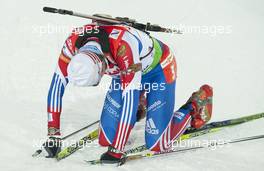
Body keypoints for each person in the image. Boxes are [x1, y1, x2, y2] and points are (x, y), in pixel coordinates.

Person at [43, 20, 213, 163]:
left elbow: (129, 100)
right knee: (105, 139)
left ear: (102, 65)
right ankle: (145, 106)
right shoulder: (71, 45)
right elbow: (56, 88)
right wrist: (53, 135)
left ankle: (196, 104)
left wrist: (117, 150)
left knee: (157, 145)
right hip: (125, 73)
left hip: (158, 71)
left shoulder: (123, 47)